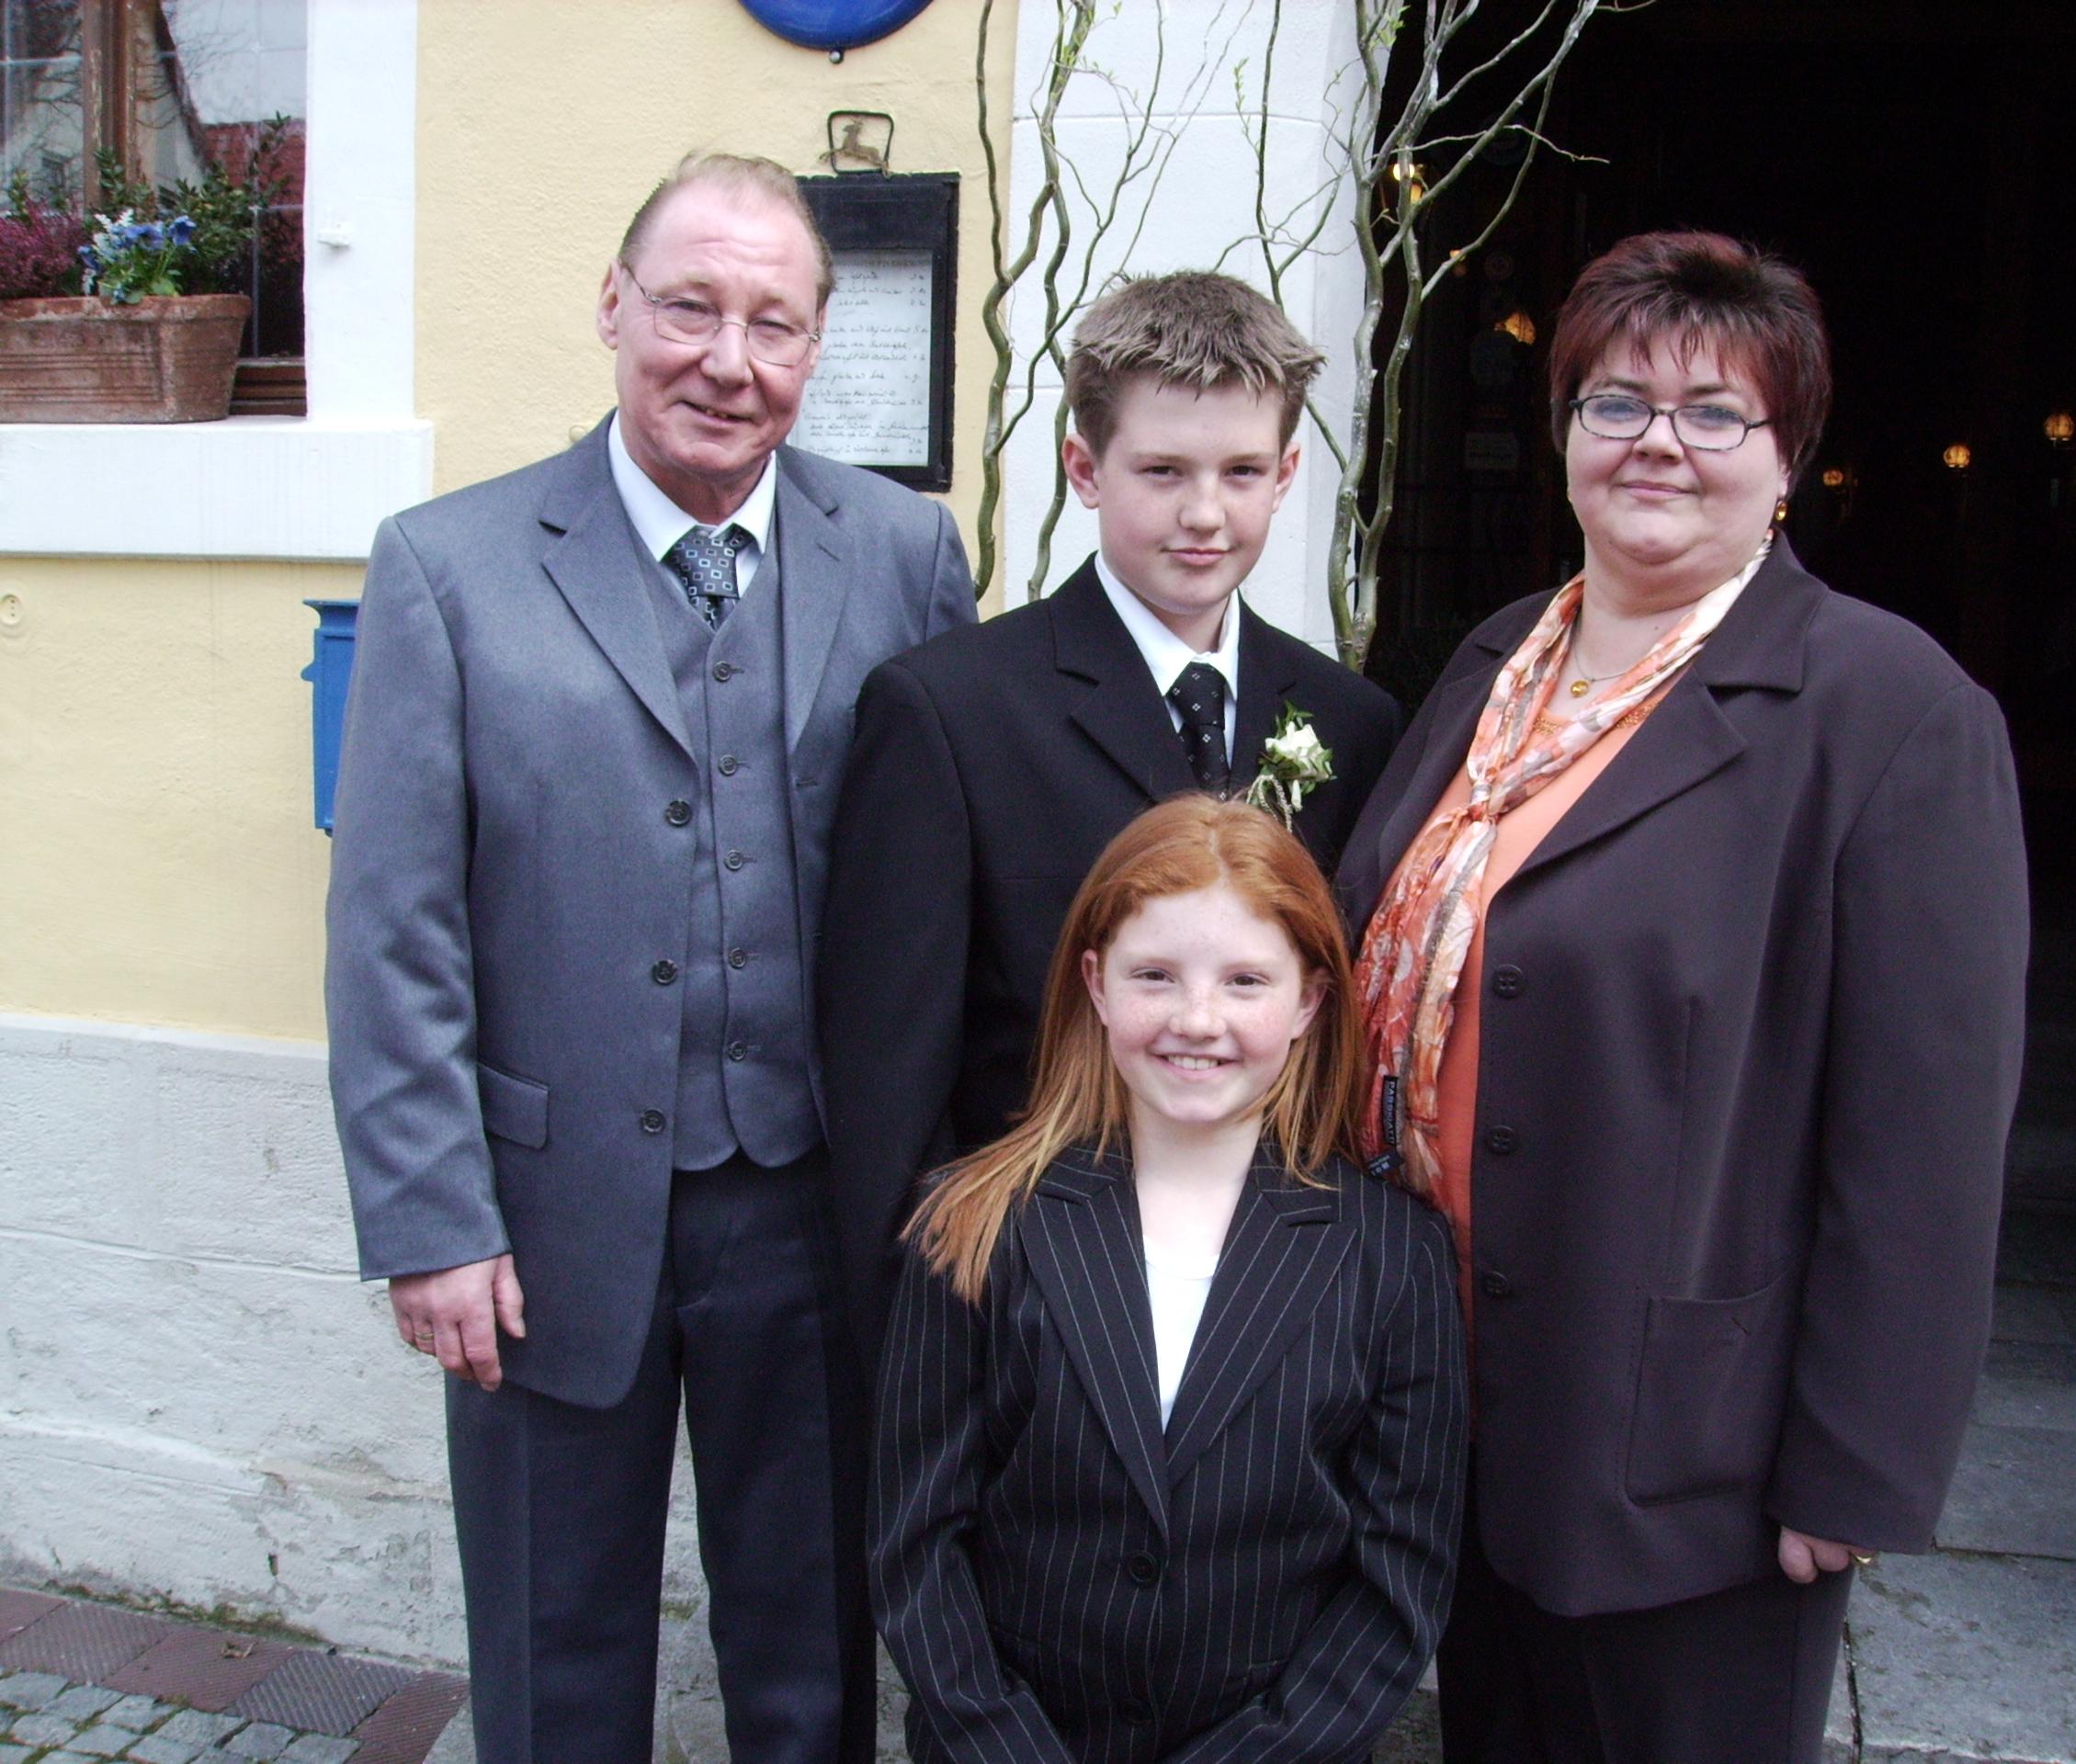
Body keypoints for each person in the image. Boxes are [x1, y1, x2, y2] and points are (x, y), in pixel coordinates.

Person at [1337, 231, 2030, 1763]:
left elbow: (1923, 1140)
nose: (1659, 442)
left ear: (1788, 457)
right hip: (1446, 1398)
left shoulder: (1889, 708)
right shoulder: (1499, 660)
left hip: (1685, 1449)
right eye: (1617, 402)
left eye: (1716, 412)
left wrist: (1857, 1466)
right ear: (1566, 431)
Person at [324, 152, 974, 1764]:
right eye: (689, 308)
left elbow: (950, 892)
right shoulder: (447, 566)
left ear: (815, 343)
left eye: (774, 322)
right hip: (541, 1224)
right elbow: (396, 925)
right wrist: (433, 1220)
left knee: (814, 1652)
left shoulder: (904, 553)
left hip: (815, 1209)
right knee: (556, 1657)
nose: (728, 361)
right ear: (612, 305)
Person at [819, 271, 1401, 1363]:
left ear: (1286, 474)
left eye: (1240, 472)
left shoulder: (1349, 722)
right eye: (1162, 471)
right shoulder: (950, 710)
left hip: (1274, 1307)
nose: (1204, 514)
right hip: (1024, 1300)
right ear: (1084, 469)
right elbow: (886, 1081)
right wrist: (913, 1350)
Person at [871, 795, 1467, 1764]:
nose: (1198, 1020)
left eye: (1245, 981)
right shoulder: (973, 1222)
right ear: (1096, 985)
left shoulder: (1394, 1257)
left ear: (1309, 1002)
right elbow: (916, 1544)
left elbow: (1399, 1578)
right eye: (1155, 975)